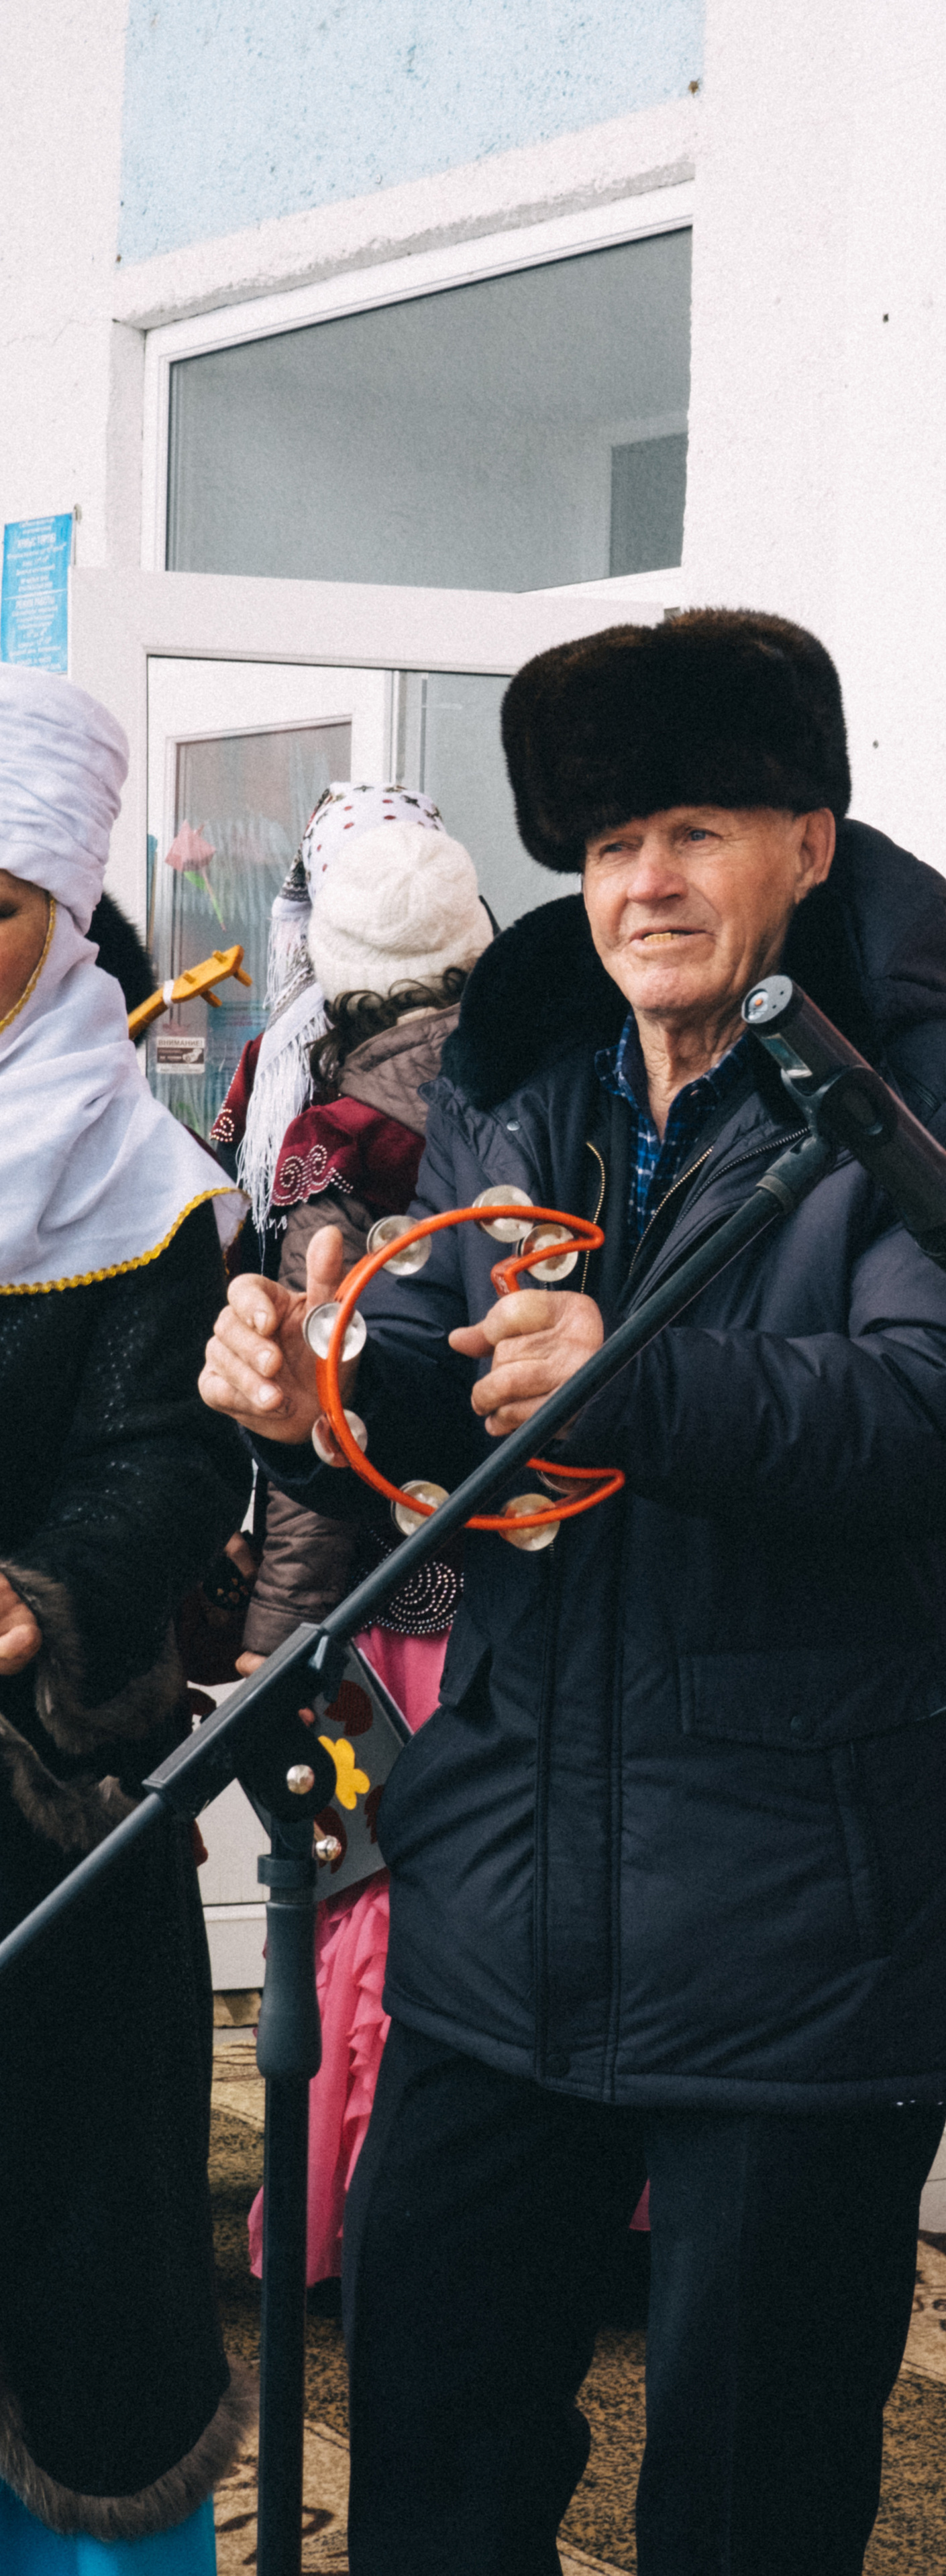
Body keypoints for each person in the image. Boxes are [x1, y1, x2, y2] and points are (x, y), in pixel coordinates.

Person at [199, 608, 946, 2576]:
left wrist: (633, 1378)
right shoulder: (532, 1085)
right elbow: (439, 1375)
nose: (642, 886)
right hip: (507, 1897)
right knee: (428, 2430)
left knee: (751, 2494)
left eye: (692, 831)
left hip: (807, 1922)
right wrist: (296, 1386)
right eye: (603, 850)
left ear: (811, 842)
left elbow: (939, 1419)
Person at [0, 667, 252, 2571]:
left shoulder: (147, 1183)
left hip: (52, 1811)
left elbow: (168, 1466)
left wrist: (27, 1597)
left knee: (78, 2254)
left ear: (64, 912)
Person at [213, 810, 492, 2296]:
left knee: (361, 1880)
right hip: (494, 1559)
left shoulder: (325, 1125)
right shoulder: (518, 1069)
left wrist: (276, 1624)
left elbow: (319, 1403)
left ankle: (344, 2225)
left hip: (383, 1582)